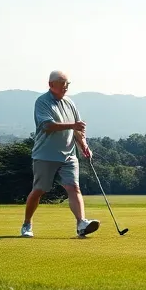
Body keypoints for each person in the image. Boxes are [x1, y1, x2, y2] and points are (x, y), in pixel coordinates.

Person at [21, 70, 101, 239]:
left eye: (67, 84)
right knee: (39, 190)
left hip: (68, 155)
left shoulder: (70, 103)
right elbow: (48, 126)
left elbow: (78, 130)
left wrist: (84, 146)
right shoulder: (42, 102)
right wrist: (73, 125)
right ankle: (27, 224)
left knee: (74, 187)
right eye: (63, 83)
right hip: (45, 155)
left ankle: (81, 224)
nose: (66, 87)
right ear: (51, 85)